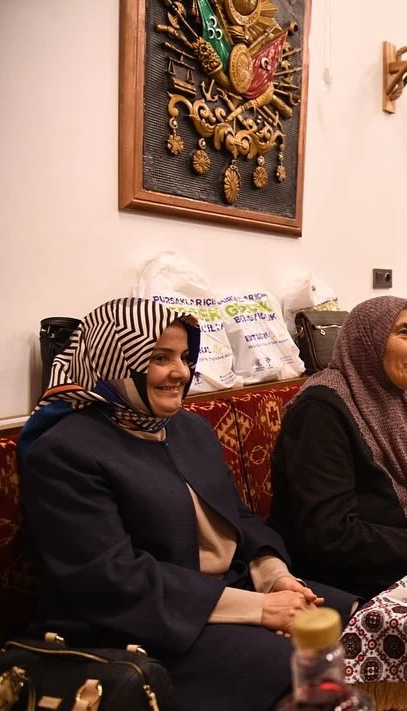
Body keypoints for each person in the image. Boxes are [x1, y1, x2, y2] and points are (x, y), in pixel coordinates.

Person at [19, 298, 358, 711]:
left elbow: (237, 517)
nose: (180, 371)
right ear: (114, 357)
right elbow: (110, 581)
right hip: (140, 627)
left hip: (224, 594)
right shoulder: (64, 451)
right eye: (159, 358)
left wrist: (275, 578)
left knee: (353, 616)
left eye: (184, 356)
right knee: (294, 661)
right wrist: (260, 609)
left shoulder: (187, 427)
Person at [268, 296, 407, 600]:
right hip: (355, 581)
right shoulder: (321, 409)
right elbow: (330, 533)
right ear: (368, 343)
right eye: (403, 332)